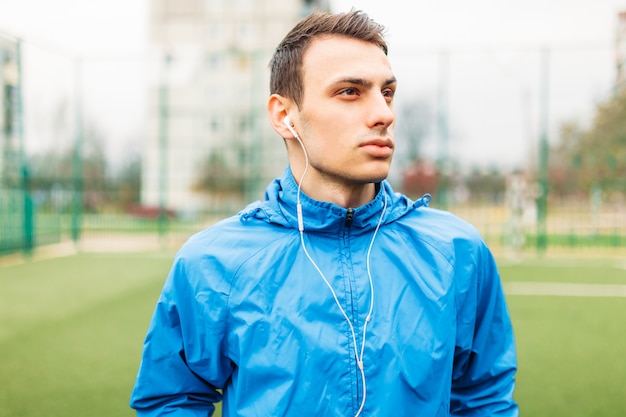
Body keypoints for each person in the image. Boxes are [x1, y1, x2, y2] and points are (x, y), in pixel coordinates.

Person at [130, 10, 519, 417]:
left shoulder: (456, 251)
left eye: (386, 93)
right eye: (350, 91)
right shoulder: (212, 263)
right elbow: (171, 400)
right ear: (285, 117)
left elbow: (483, 398)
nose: (384, 114)